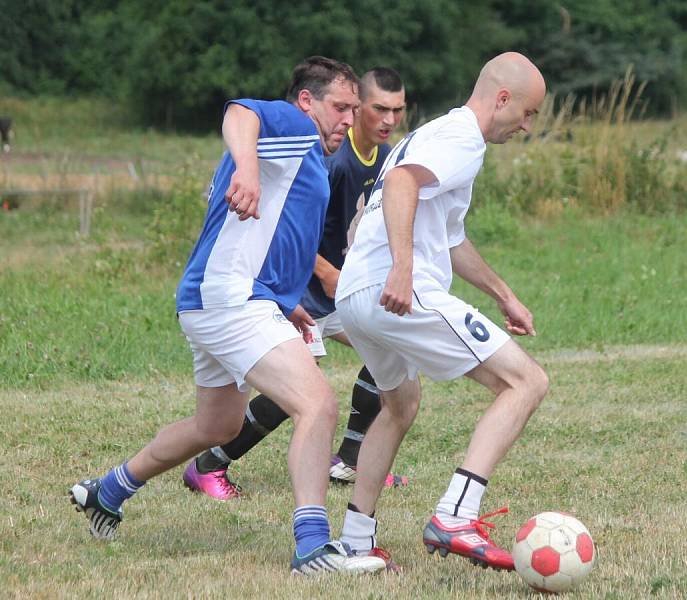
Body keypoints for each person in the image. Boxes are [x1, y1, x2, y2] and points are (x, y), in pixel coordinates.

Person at [69, 56, 387, 576]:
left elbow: (265, 237)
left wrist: (287, 303)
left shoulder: (301, 159)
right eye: (340, 106)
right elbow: (240, 112)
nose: (349, 119)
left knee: (217, 425)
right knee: (318, 407)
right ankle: (312, 547)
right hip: (231, 300)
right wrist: (243, 166)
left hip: (218, 299)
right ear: (307, 102)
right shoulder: (293, 130)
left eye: (355, 108)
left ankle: (108, 490)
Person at [333, 52, 549, 571]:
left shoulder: (437, 135)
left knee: (399, 405)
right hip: (396, 291)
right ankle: (456, 515)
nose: (527, 125)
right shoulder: (460, 141)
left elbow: (450, 238)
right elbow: (404, 184)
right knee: (526, 382)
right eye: (527, 113)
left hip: (356, 295)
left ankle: (355, 540)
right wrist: (403, 269)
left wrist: (503, 294)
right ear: (502, 98)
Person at [182, 68, 409, 500]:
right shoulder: (327, 156)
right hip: (301, 290)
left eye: (397, 110)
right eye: (377, 109)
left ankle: (352, 460)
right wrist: (325, 274)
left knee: (382, 350)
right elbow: (291, 227)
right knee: (306, 392)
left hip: (327, 292)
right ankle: (212, 462)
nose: (388, 120)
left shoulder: (380, 157)